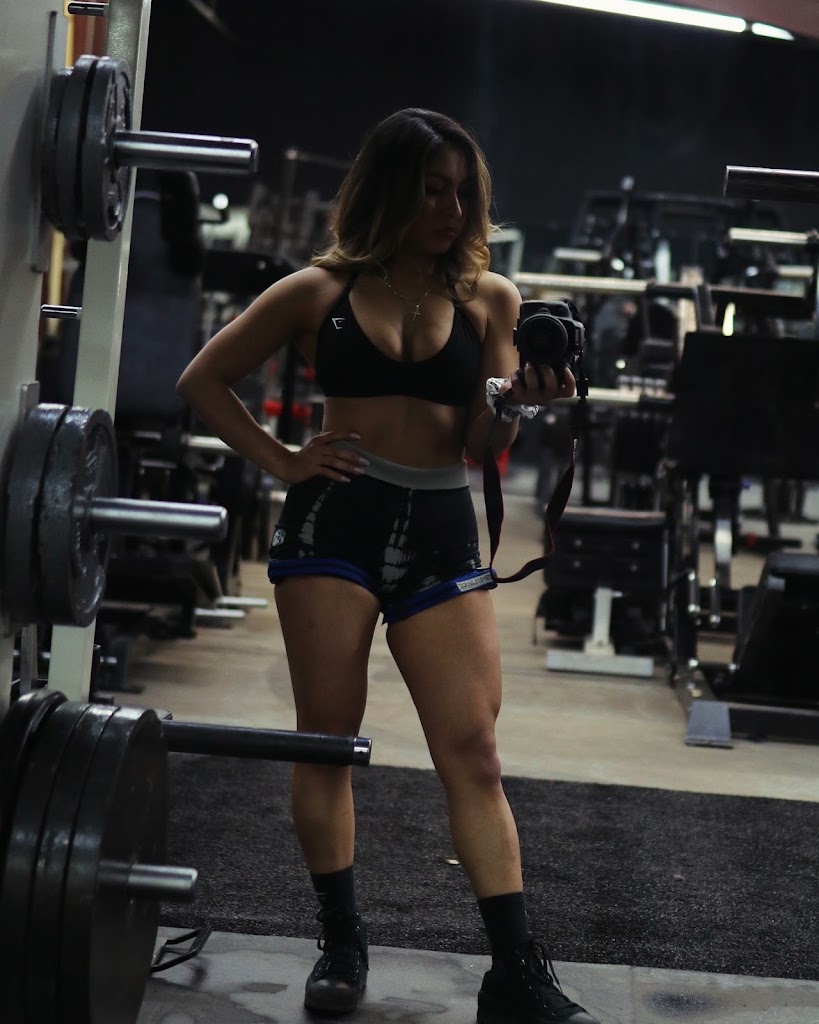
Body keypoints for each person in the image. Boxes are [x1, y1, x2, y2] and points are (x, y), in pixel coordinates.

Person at [177, 108, 600, 1024]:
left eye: (462, 193)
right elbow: (202, 379)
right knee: (327, 737)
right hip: (335, 522)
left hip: (442, 525)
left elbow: (481, 442)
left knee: (473, 749)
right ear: (389, 191)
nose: (451, 209)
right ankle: (341, 937)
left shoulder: (491, 298)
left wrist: (517, 404)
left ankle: (515, 971)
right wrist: (283, 460)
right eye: (431, 190)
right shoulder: (317, 291)